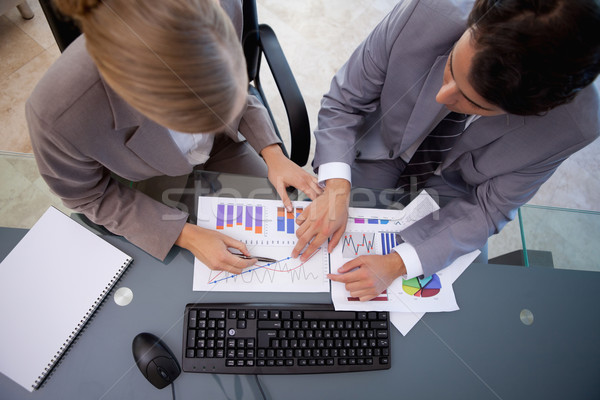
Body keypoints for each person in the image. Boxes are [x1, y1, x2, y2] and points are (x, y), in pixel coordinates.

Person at [293, 0, 600, 300]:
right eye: (452, 67)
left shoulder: (574, 126)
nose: (442, 96)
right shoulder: (427, 10)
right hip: (377, 152)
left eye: (474, 103)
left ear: (530, 111)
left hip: (454, 196)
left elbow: (489, 208)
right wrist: (336, 188)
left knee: (463, 307)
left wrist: (399, 263)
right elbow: (345, 103)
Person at [26, 0, 322, 273]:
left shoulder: (223, 4)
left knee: (289, 234)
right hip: (142, 183)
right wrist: (184, 235)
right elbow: (88, 195)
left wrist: (273, 153)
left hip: (222, 145)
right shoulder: (58, 116)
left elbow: (239, 86)